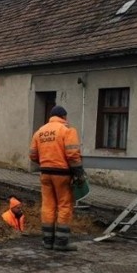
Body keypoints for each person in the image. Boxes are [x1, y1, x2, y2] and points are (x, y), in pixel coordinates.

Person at [29, 105, 84, 251]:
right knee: (64, 205)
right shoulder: (67, 131)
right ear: (64, 117)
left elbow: (33, 155)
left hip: (45, 173)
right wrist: (79, 173)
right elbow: (72, 154)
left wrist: (45, 162)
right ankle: (61, 242)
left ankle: (47, 240)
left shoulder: (39, 132)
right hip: (62, 174)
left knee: (48, 205)